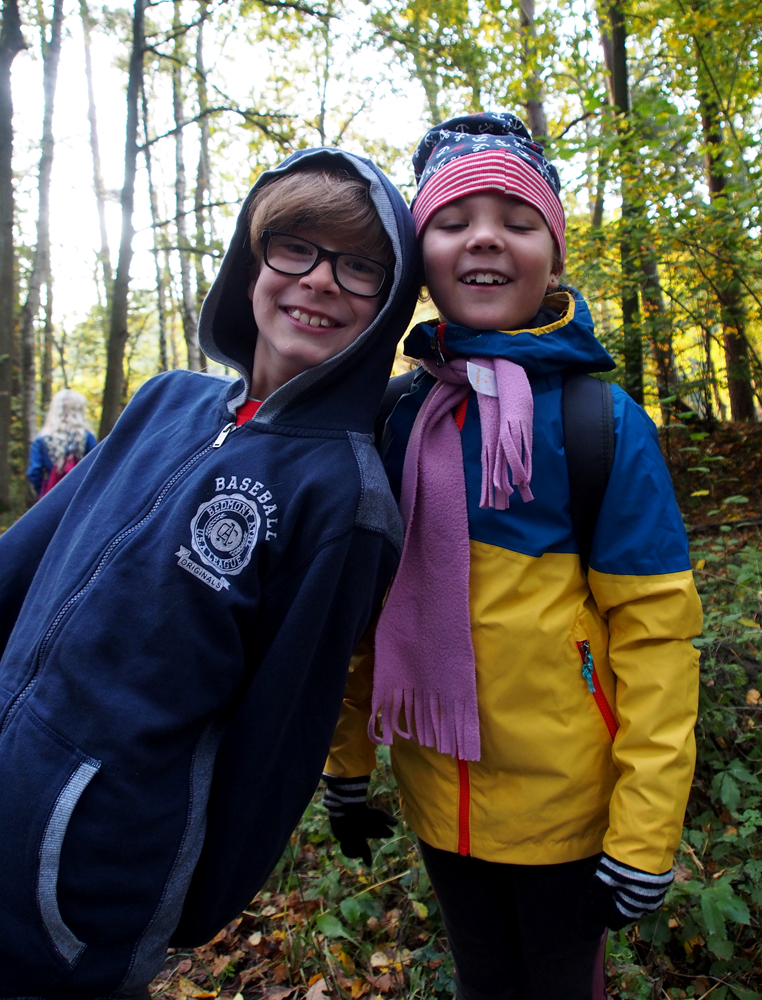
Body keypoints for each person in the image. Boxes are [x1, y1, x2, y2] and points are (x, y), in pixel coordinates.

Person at [0, 148, 418, 998]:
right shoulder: (165, 401)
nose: (320, 281)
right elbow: (25, 558)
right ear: (251, 260)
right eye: (293, 247)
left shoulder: (343, 497)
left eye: (361, 266)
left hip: (84, 878)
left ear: (390, 302)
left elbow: (281, 737)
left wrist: (189, 903)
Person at [322, 113, 702, 1000]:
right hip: (436, 802)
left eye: (518, 220)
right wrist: (345, 763)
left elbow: (657, 638)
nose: (485, 237)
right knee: (484, 979)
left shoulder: (600, 426)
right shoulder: (392, 420)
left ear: (552, 253)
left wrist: (644, 835)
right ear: (421, 256)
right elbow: (361, 612)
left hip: (570, 815)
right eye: (453, 221)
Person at [26, 388, 97, 496]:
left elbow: (34, 472)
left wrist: (42, 493)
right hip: (80, 497)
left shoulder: (42, 440)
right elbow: (95, 469)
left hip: (52, 497)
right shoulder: (87, 437)